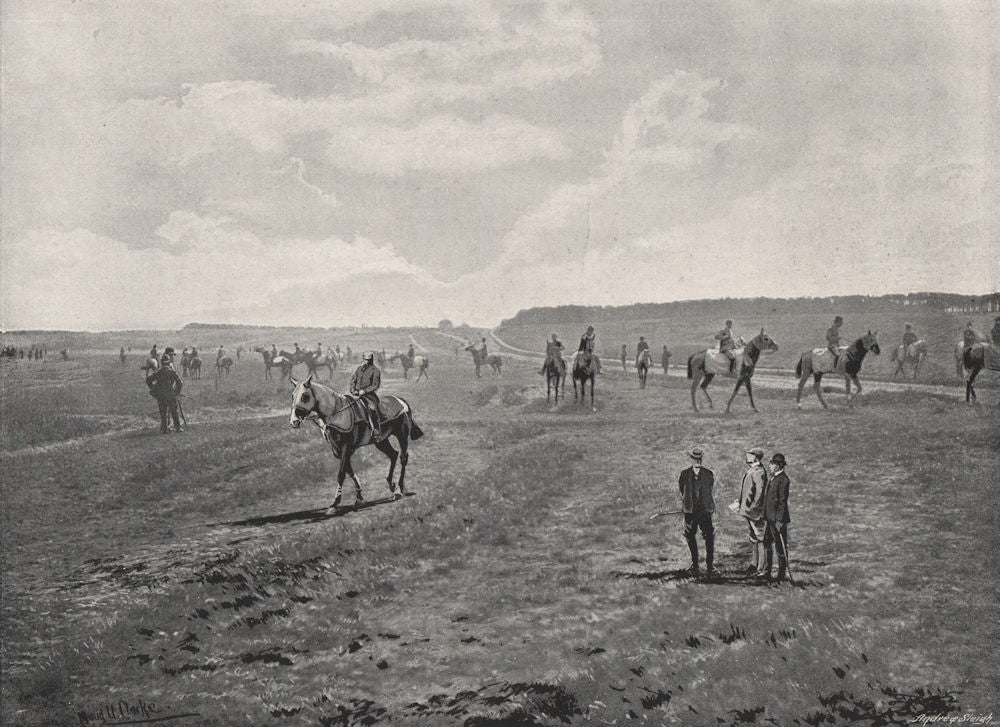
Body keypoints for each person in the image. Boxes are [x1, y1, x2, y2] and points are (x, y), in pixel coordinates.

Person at [678, 447, 715, 576]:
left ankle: (710, 565)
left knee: (709, 537)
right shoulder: (684, 474)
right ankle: (695, 564)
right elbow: (682, 490)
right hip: (690, 512)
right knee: (690, 535)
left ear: (702, 459)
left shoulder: (708, 474)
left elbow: (710, 488)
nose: (697, 461)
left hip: (705, 511)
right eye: (695, 459)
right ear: (691, 459)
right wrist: (689, 504)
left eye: (699, 459)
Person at [738, 447, 768, 578]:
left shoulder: (759, 471)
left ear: (755, 457)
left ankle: (762, 568)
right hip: (749, 512)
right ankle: (754, 564)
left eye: (749, 455)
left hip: (756, 512)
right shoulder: (752, 469)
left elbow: (759, 494)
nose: (747, 456)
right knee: (754, 538)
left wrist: (753, 508)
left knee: (760, 538)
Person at [762, 453, 791, 582]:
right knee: (767, 544)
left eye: (772, 464)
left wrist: (779, 520)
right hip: (770, 519)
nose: (770, 466)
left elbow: (782, 502)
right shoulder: (773, 479)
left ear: (779, 466)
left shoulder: (784, 480)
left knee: (780, 547)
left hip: (778, 520)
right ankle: (767, 571)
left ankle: (781, 574)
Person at [350, 351, 384, 439]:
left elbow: (375, 385)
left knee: (372, 409)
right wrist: (353, 390)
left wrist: (364, 391)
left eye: (369, 360)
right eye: (365, 359)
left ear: (372, 359)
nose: (367, 361)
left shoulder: (375, 370)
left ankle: (376, 430)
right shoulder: (358, 369)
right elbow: (353, 380)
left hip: (369, 395)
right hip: (356, 394)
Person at [147, 353, 183, 433]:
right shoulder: (172, 372)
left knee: (163, 412)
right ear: (169, 362)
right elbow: (180, 383)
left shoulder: (158, 372)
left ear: (162, 362)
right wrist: (176, 392)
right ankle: (177, 427)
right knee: (174, 411)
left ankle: (165, 428)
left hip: (161, 395)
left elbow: (148, 380)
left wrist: (153, 389)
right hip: (170, 394)